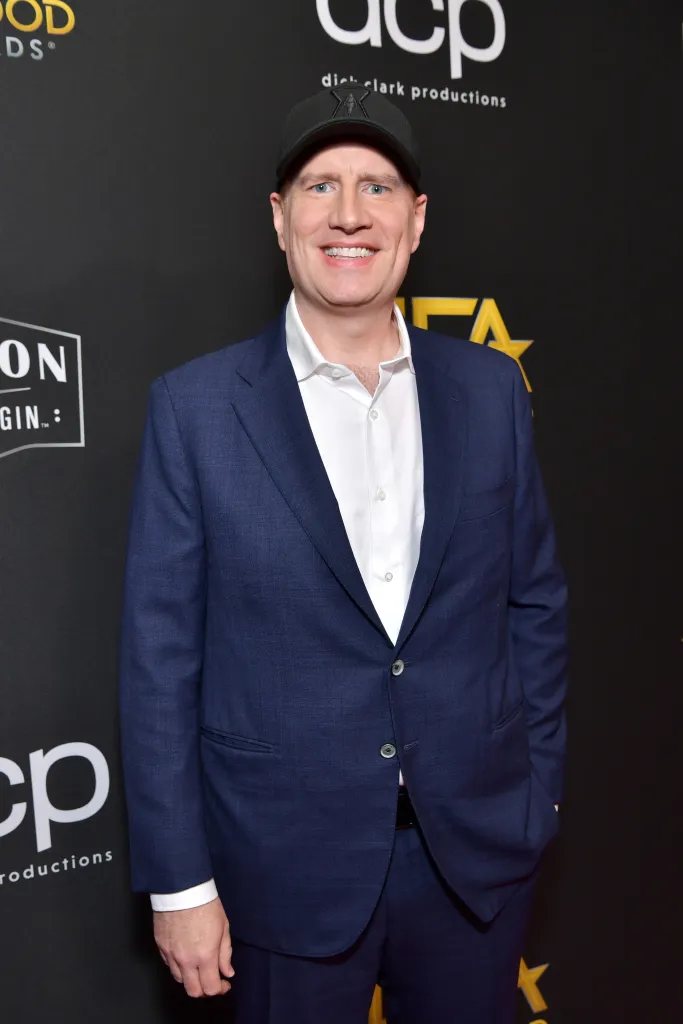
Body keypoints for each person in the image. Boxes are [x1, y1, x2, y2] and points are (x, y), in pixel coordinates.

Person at [119, 83, 568, 1024]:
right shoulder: (195, 409)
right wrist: (178, 885)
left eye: (376, 186)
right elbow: (160, 663)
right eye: (320, 187)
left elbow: (533, 605)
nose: (350, 214)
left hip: (474, 866)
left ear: (415, 219)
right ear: (280, 220)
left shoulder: (490, 392)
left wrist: (537, 800)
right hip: (280, 873)